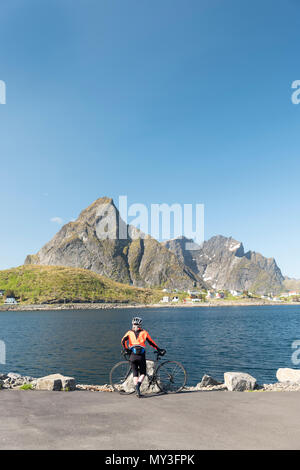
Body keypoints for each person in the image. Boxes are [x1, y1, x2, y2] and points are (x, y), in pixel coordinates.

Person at [121, 316, 165, 397]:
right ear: (140, 325)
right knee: (143, 373)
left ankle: (137, 390)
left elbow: (123, 341)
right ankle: (138, 385)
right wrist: (159, 349)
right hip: (141, 356)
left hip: (132, 356)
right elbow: (151, 343)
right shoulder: (144, 333)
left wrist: (126, 349)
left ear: (132, 324)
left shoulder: (129, 333)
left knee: (135, 373)